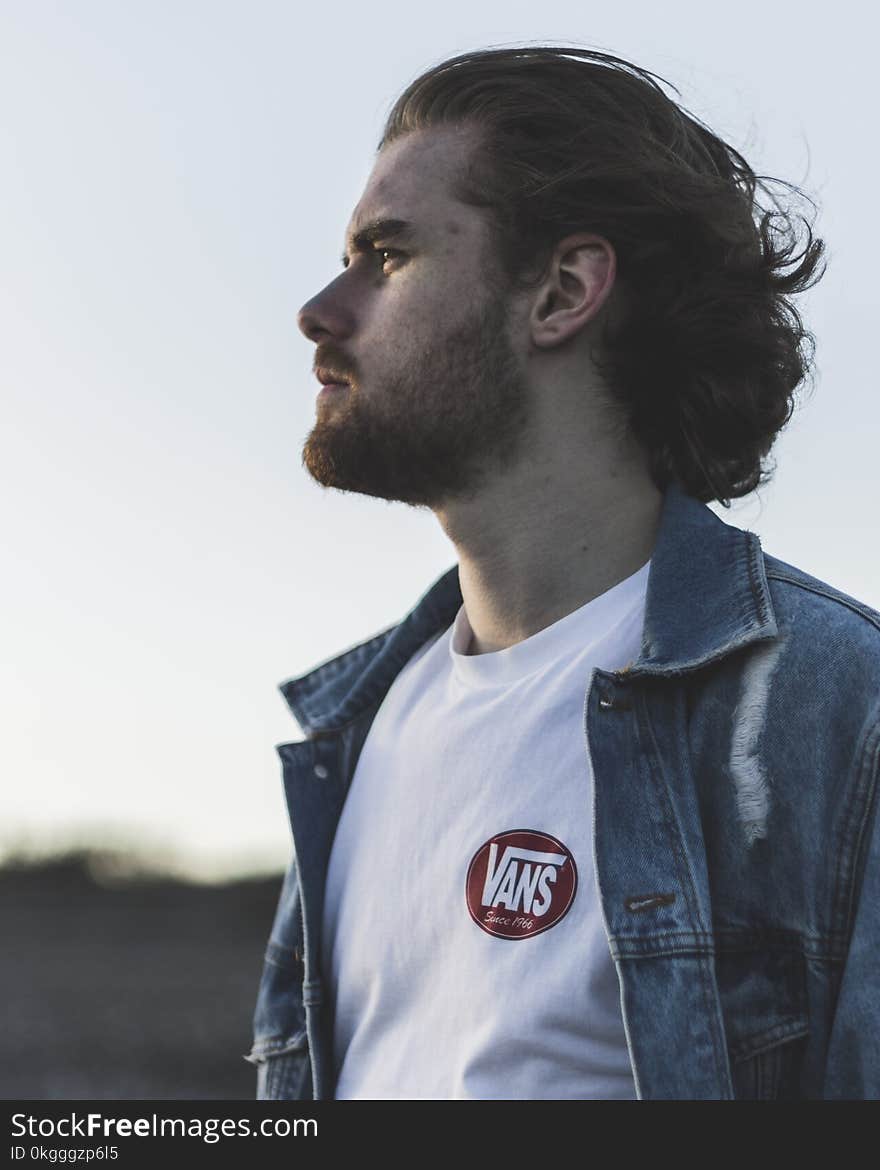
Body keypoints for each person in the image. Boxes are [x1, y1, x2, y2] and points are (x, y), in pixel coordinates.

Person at [245, 46, 880, 1100]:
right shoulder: (347, 741)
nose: (321, 309)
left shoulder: (835, 711)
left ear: (562, 291)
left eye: (385, 257)